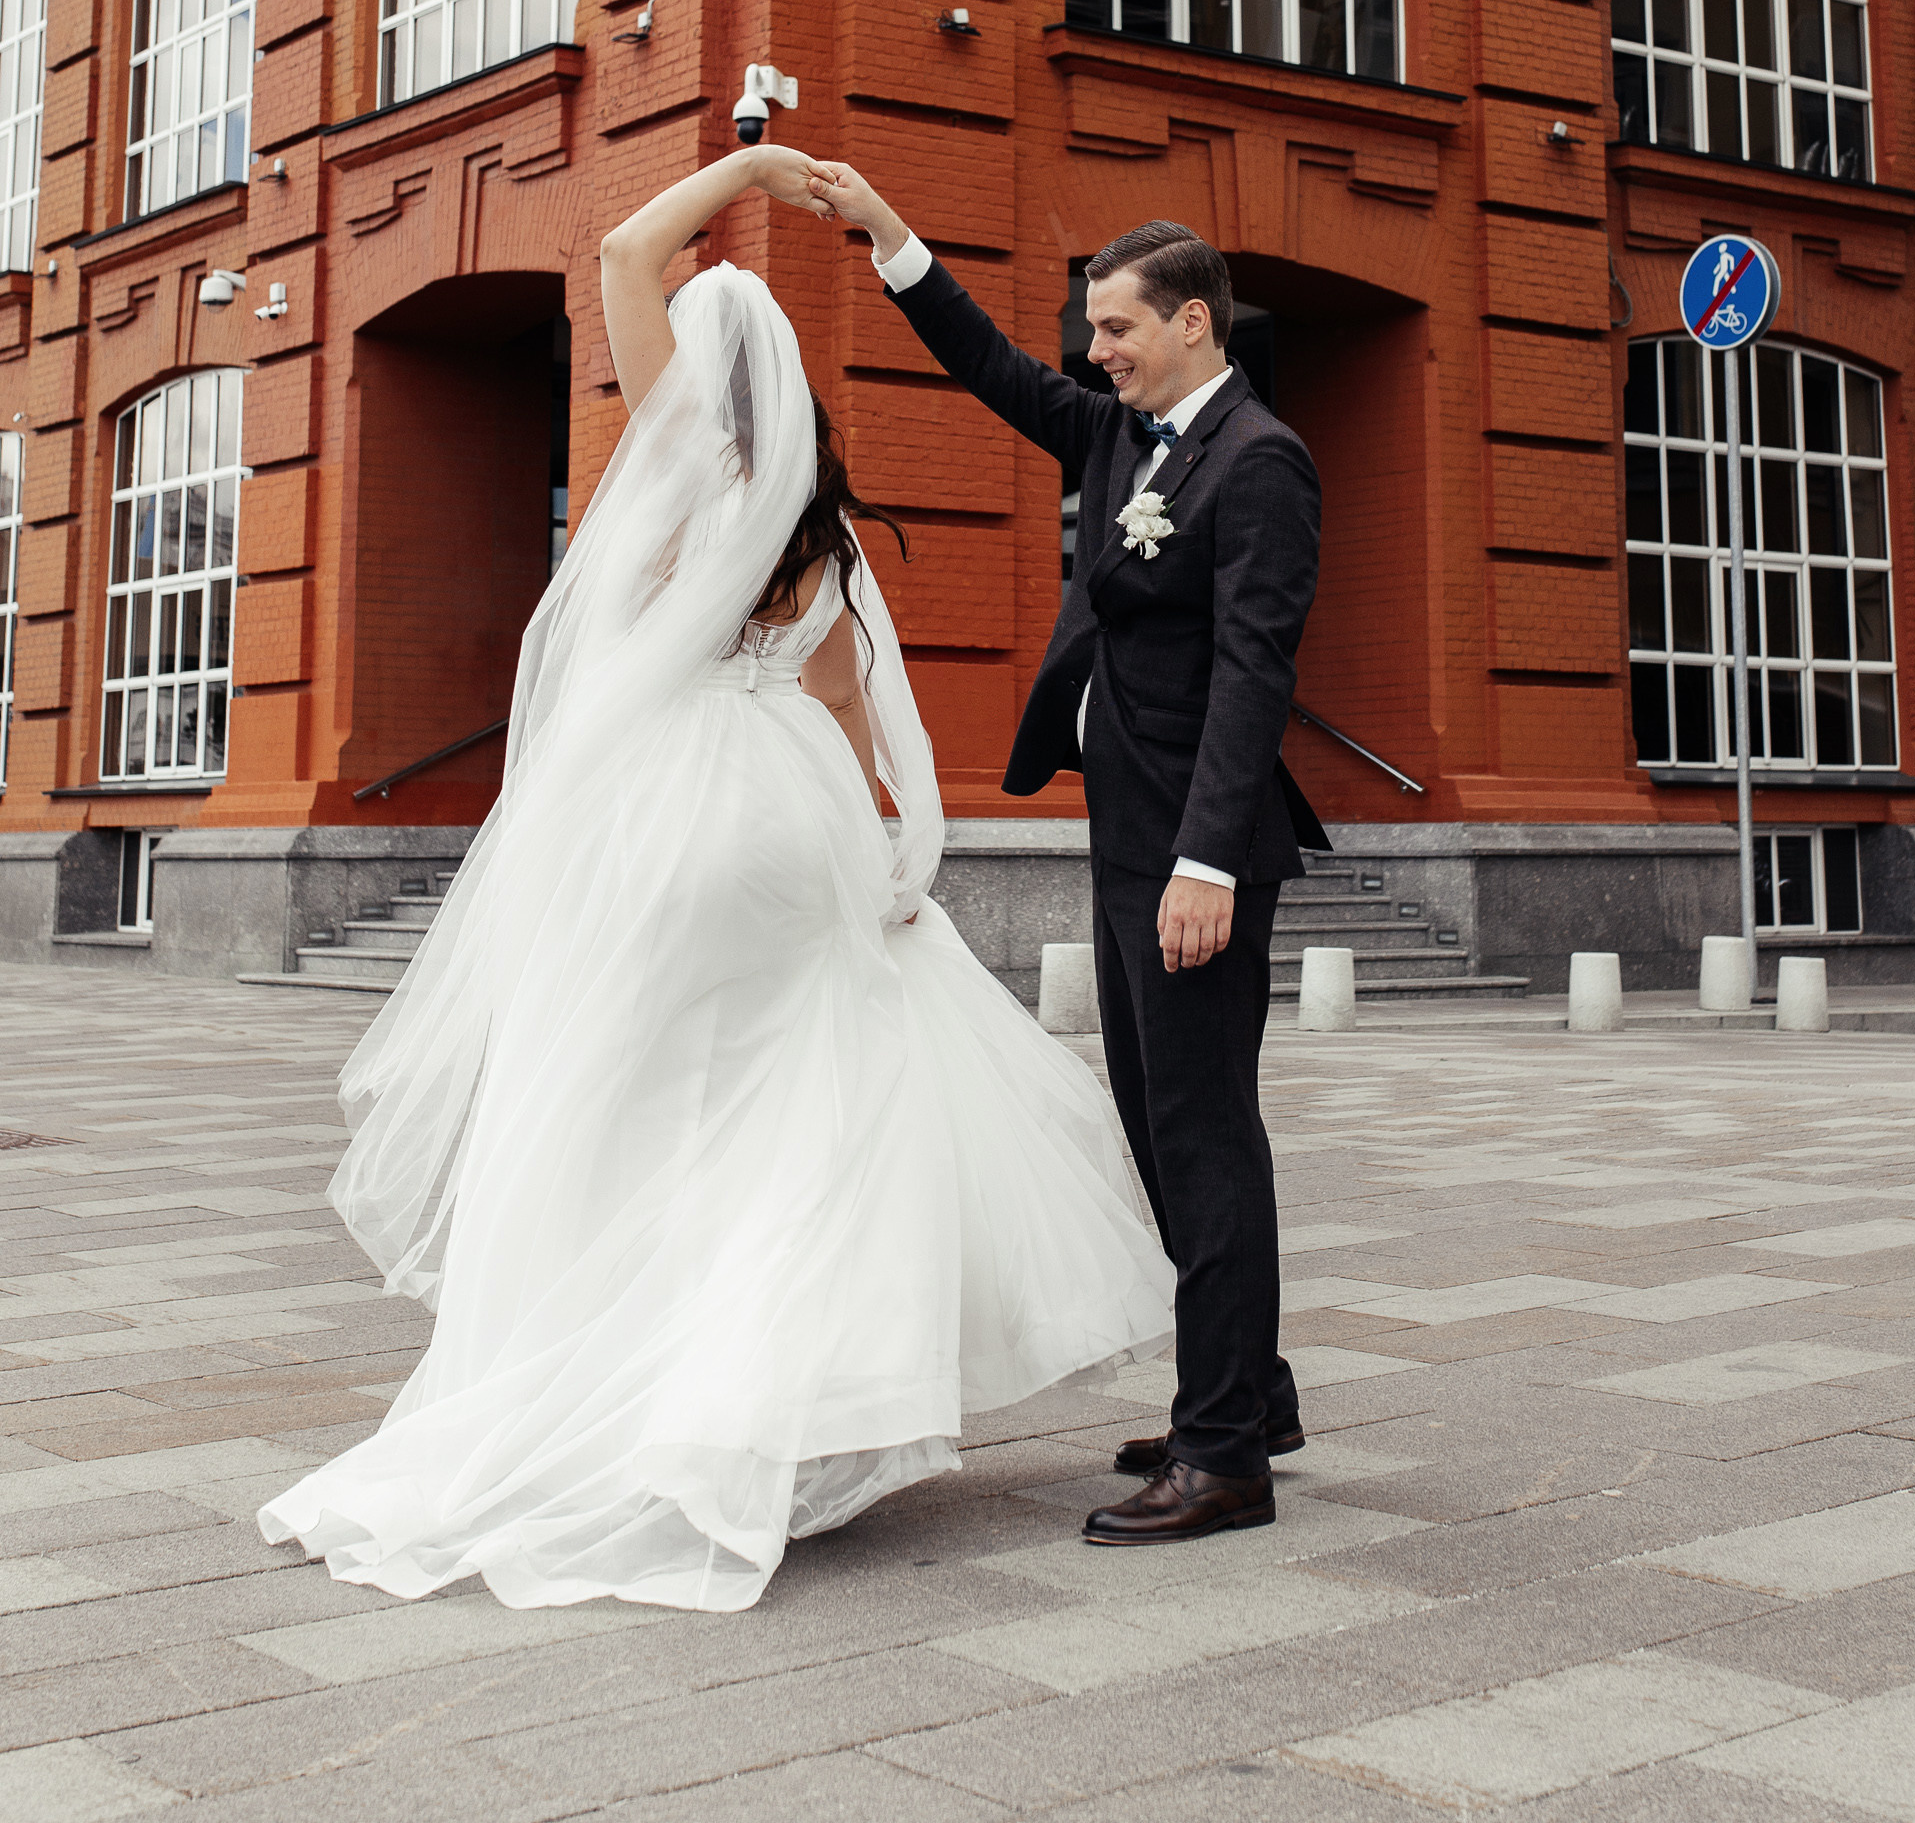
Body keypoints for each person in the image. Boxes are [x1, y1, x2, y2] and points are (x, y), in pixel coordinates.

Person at [259, 144, 1173, 1613]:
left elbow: (625, 251)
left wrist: (752, 162)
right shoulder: (811, 520)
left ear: (691, 378)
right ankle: (766, 1397)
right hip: (791, 823)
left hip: (664, 823)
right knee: (795, 1106)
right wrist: (897, 849)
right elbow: (853, 706)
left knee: (629, 1104)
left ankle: (617, 1369)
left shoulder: (677, 470)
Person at [807, 168, 1323, 1549]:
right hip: (1124, 839)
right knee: (1163, 1130)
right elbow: (984, 365)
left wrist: (1207, 866)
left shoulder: (1259, 461)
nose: (1095, 354)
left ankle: (1224, 1460)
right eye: (1094, 332)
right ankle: (1248, 1389)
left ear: (1196, 325)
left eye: (1118, 329)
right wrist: (888, 227)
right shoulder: (1121, 439)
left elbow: (1253, 675)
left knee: (1205, 1135)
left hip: (1193, 855)